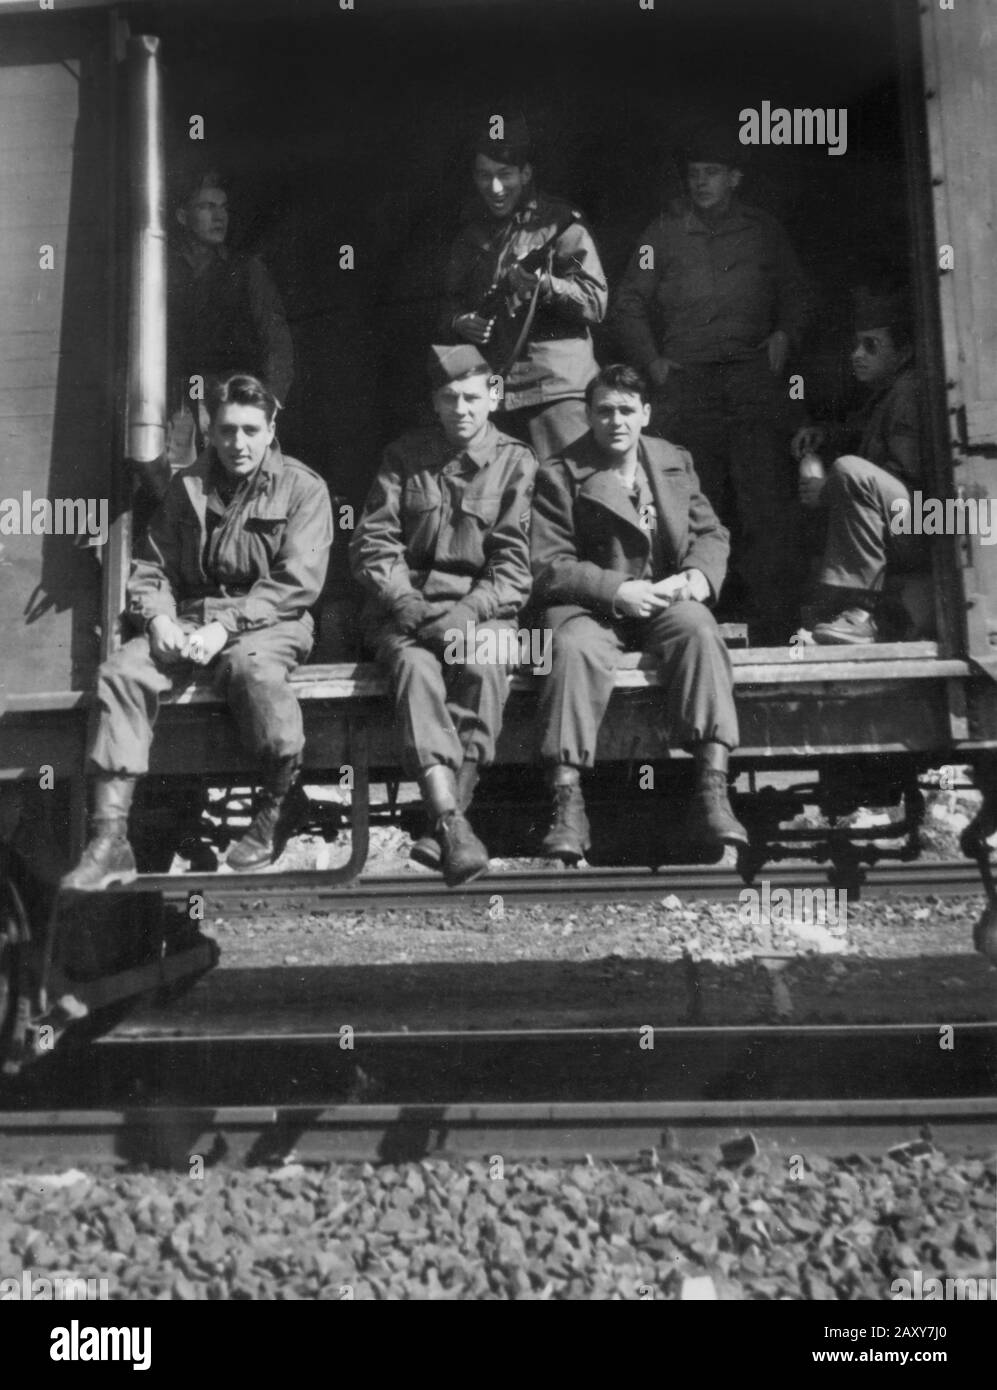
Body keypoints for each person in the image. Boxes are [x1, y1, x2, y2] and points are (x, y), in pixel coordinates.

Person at [62, 374, 333, 890]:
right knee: (121, 672)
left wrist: (222, 626)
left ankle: (279, 802)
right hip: (192, 620)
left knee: (252, 670)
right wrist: (159, 617)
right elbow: (151, 568)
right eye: (228, 430)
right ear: (210, 429)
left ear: (272, 427)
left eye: (252, 430)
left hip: (271, 621)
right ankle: (110, 838)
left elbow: (297, 582)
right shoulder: (188, 485)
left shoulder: (303, 487)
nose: (239, 443)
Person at [530, 363, 747, 863]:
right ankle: (568, 805)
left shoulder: (673, 461)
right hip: (594, 608)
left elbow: (711, 534)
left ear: (645, 414)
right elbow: (548, 564)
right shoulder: (559, 473)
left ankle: (713, 792)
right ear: (588, 415)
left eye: (627, 410)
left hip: (663, 603)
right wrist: (616, 590)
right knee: (572, 648)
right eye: (604, 411)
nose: (616, 421)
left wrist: (697, 576)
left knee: (699, 630)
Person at [608, 127, 810, 642]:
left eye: (712, 173)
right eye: (694, 174)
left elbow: (794, 289)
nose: (701, 182)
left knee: (762, 498)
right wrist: (652, 361)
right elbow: (629, 300)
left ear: (735, 178)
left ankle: (774, 624)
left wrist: (785, 333)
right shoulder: (662, 234)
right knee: (698, 501)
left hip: (750, 382)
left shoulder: (762, 231)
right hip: (688, 386)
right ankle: (703, 621)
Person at [350, 345, 537, 886]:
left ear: (493, 398)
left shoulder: (514, 461)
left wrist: (468, 613)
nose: (462, 409)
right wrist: (405, 602)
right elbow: (373, 544)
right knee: (414, 673)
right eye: (450, 398)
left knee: (487, 663)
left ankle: (445, 823)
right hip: (407, 612)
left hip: (481, 614)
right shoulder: (403, 459)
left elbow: (514, 565)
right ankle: (453, 822)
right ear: (435, 403)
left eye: (472, 398)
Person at [440, 115, 608, 462]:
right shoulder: (471, 234)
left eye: (505, 175)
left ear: (526, 174)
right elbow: (448, 303)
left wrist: (545, 285)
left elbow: (595, 301)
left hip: (555, 392)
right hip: (496, 393)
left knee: (565, 494)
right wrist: (460, 321)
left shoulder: (561, 227)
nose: (495, 187)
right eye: (485, 176)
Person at [792, 290, 925, 644]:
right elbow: (857, 430)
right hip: (911, 519)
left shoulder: (908, 392)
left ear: (904, 352)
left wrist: (829, 489)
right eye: (856, 345)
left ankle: (862, 612)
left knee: (849, 470)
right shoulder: (887, 393)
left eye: (871, 346)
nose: (857, 355)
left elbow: (905, 477)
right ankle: (841, 607)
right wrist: (821, 434)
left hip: (934, 518)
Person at [166, 172, 294, 474]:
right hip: (177, 401)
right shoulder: (163, 269)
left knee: (236, 484)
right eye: (207, 207)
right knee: (177, 487)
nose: (219, 216)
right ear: (183, 216)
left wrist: (269, 400)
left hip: (231, 396)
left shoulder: (246, 270)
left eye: (223, 208)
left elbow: (276, 338)